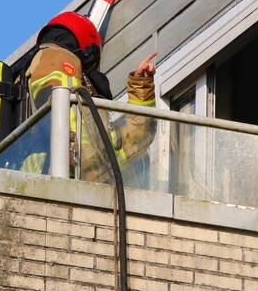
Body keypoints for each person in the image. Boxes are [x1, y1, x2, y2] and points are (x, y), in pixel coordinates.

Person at [15, 11, 157, 182]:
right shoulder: (55, 58)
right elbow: (81, 151)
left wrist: (141, 85)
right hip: (54, 182)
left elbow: (139, 138)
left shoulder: (99, 134)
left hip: (77, 183)